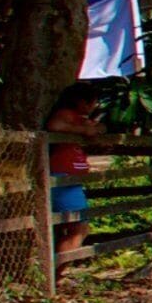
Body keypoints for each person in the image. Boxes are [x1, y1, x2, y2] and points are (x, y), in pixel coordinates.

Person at [45, 91, 101, 261]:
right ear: (81, 101)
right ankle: (52, 275)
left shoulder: (81, 118)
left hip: (72, 179)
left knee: (73, 227)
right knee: (79, 228)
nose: (94, 106)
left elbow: (99, 131)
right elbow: (54, 126)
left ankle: (53, 275)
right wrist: (83, 130)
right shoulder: (66, 114)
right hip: (63, 178)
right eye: (92, 102)